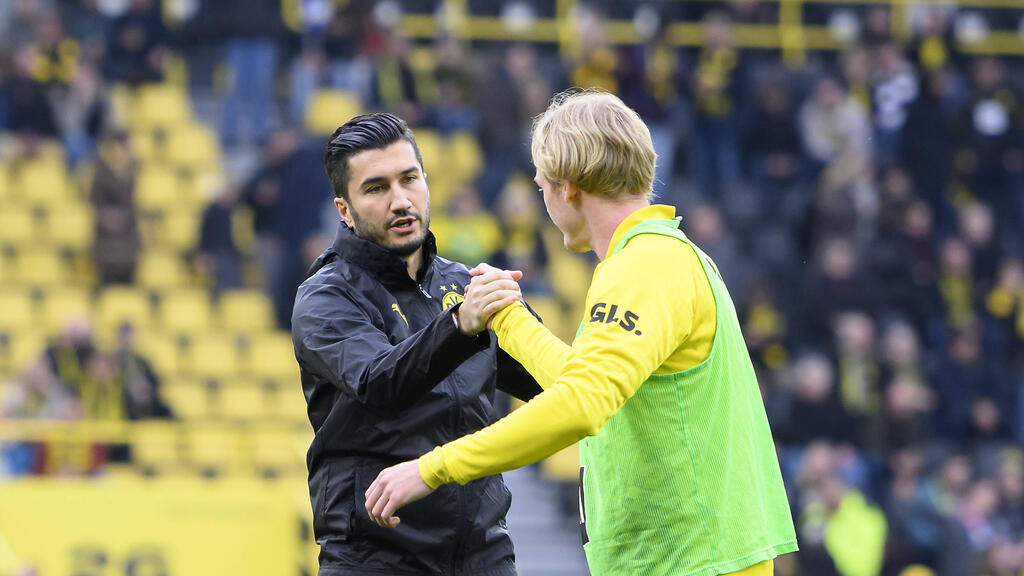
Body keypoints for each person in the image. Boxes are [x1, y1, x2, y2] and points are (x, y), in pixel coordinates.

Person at [365, 90, 798, 576]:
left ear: (568, 187)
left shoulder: (644, 266)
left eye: (541, 187)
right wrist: (509, 318)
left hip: (692, 562)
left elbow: (580, 405)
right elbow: (584, 383)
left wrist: (433, 468)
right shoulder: (663, 256)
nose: (543, 199)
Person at [290, 112, 542, 576]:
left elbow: (551, 385)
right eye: (376, 188)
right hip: (375, 556)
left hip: (483, 554)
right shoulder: (325, 297)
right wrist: (461, 326)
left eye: (410, 179)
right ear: (344, 209)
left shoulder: (464, 283)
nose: (400, 200)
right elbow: (380, 382)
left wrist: (530, 325)